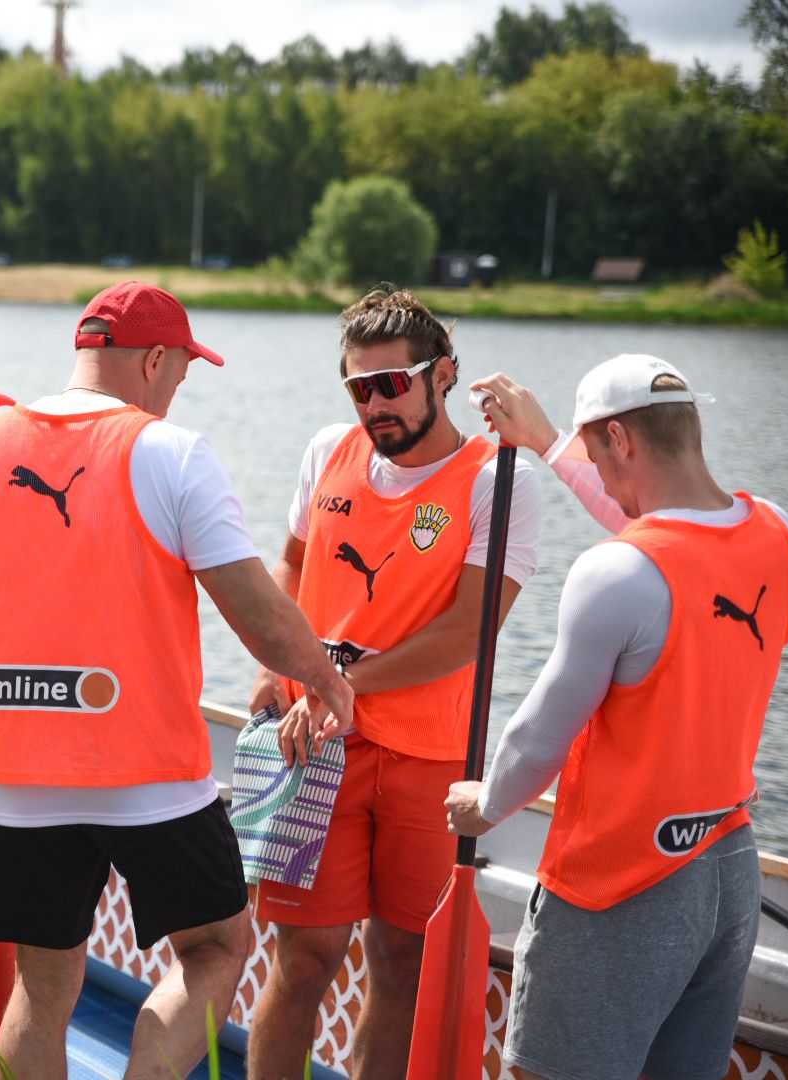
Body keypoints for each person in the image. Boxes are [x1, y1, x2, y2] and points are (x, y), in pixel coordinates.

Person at [0, 281, 353, 1080]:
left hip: (17, 773)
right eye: (180, 373)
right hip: (146, 774)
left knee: (44, 979)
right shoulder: (171, 452)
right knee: (215, 945)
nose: (175, 391)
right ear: (155, 360)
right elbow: (259, 614)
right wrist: (325, 681)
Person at [449, 358, 788, 1080]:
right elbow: (666, 540)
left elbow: (539, 736)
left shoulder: (616, 573)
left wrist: (484, 805)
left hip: (621, 879)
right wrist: (550, 442)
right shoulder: (777, 533)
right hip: (726, 870)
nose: (597, 478)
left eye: (593, 455)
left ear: (621, 439)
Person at [244, 287, 543, 1080]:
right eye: (357, 387)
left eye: (391, 383)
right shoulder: (326, 453)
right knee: (304, 959)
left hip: (430, 761)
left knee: (401, 959)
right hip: (313, 744)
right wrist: (281, 666)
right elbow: (293, 568)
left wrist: (340, 681)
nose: (372, 404)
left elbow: (466, 631)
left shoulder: (499, 479)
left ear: (443, 375)